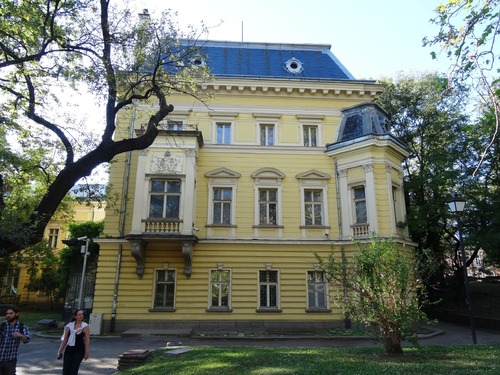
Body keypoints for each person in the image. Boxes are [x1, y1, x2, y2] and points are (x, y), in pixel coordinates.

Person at [0, 305, 31, 375]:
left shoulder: (21, 326)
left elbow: (26, 340)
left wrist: (20, 335)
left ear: (17, 314)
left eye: (11, 313)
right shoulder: (2, 325)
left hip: (10, 359)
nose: (8, 315)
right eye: (7, 314)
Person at [57, 309, 90, 375]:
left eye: (82, 314)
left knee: (73, 370)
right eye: (79, 314)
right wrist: (59, 351)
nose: (81, 316)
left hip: (79, 350)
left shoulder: (85, 326)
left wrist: (86, 353)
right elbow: (65, 339)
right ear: (75, 316)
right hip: (69, 350)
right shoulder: (69, 326)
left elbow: (87, 340)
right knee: (66, 370)